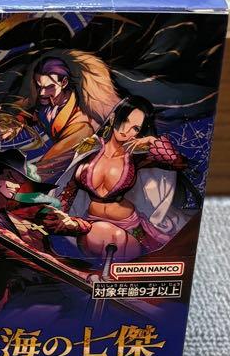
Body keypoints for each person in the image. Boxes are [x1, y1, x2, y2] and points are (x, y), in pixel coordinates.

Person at [57, 95, 191, 263]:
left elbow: (178, 163)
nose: (126, 130)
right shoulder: (91, 147)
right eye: (125, 120)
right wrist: (60, 215)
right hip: (91, 220)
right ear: (114, 118)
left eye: (135, 128)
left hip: (130, 226)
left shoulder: (136, 156)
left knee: (130, 255)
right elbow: (70, 188)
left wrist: (153, 141)